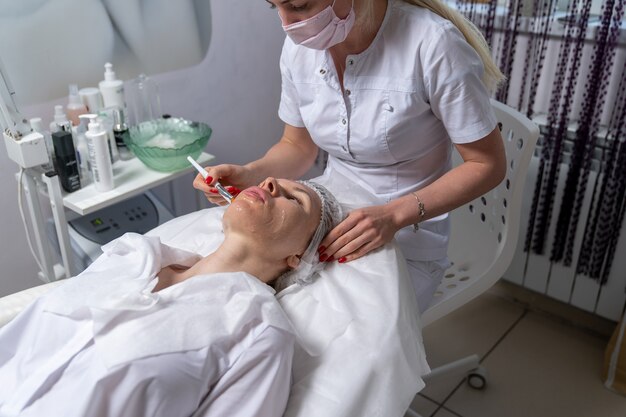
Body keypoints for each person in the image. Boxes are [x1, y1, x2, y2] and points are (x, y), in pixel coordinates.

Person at [193, 0, 507, 311]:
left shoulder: (434, 45)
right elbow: (297, 147)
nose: (288, 24)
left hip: (406, 235)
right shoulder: (298, 50)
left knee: (319, 337)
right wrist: (250, 173)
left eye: (300, 5)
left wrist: (394, 215)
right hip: (323, 216)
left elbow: (487, 164)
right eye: (275, 7)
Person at [0, 178, 342, 417]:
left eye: (294, 199)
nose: (270, 184)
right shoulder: (132, 253)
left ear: (300, 254)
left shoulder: (259, 331)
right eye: (274, 181)